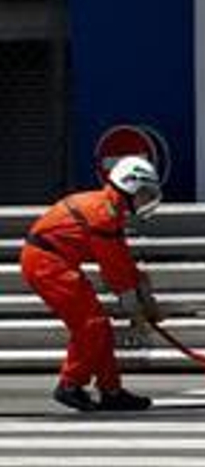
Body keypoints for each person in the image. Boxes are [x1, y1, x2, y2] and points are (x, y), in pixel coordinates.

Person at [22, 156, 163, 412]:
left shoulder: (109, 209)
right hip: (46, 262)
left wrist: (144, 291)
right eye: (143, 193)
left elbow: (121, 261)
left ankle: (111, 390)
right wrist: (137, 310)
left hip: (53, 261)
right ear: (129, 186)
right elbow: (115, 272)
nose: (145, 200)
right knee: (91, 325)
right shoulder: (103, 214)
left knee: (100, 328)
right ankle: (70, 384)